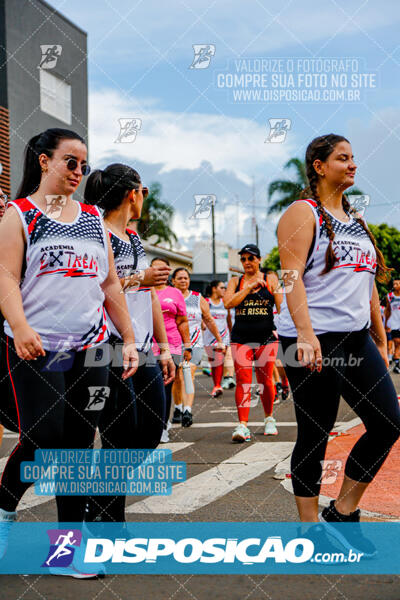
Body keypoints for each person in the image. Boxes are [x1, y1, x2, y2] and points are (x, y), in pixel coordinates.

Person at [0, 129, 138, 577]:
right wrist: (19, 326)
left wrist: (130, 338)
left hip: (91, 347)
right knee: (43, 437)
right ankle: (4, 513)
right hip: (37, 345)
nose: (79, 172)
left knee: (79, 447)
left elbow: (110, 284)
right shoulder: (19, 215)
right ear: (44, 161)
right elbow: (5, 278)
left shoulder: (94, 219)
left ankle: (65, 554)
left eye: (84, 165)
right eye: (70, 162)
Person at [276, 133, 400, 555]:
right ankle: (309, 529)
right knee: (315, 432)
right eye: (343, 158)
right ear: (318, 165)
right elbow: (290, 277)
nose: (353, 165)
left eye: (354, 158)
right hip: (310, 338)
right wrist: (305, 334)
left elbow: (367, 292)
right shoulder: (301, 213)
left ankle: (344, 511)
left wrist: (380, 340)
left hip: (354, 338)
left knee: (388, 422)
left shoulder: (355, 222)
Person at [83, 163, 176, 524]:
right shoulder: (99, 234)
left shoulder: (134, 239)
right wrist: (140, 277)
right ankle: (109, 516)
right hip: (109, 347)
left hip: (145, 348)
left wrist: (165, 347)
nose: (144, 199)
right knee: (119, 436)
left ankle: (98, 498)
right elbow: (96, 291)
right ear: (130, 194)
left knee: (150, 432)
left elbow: (150, 295)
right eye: (144, 191)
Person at [224, 245, 282, 442]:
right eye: (244, 259)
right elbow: (228, 302)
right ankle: (242, 425)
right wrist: (248, 288)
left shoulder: (270, 278)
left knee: (265, 381)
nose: (247, 262)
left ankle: (269, 418)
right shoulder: (236, 281)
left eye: (251, 258)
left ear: (259, 260)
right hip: (241, 337)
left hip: (266, 336)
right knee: (243, 380)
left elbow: (282, 305)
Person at [171, 268, 225, 425]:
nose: (183, 281)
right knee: (176, 378)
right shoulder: (168, 296)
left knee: (187, 373)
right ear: (173, 280)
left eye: (186, 278)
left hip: (194, 343)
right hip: (174, 343)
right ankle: (178, 407)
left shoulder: (197, 298)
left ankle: (187, 411)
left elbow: (208, 319)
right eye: (179, 278)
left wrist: (219, 339)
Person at [151, 257, 192, 437]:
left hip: (172, 345)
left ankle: (162, 427)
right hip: (148, 345)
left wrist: (187, 345)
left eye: (162, 269)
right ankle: (150, 424)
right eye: (155, 269)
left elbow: (182, 321)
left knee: (166, 385)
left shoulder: (174, 293)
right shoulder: (142, 290)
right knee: (151, 387)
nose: (159, 272)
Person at [203, 280, 232, 395]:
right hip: (209, 336)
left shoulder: (225, 302)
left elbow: (228, 319)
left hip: (223, 336)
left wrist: (232, 333)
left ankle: (217, 386)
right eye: (222, 287)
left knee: (219, 359)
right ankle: (216, 385)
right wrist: (202, 323)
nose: (224, 290)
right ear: (214, 289)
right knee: (214, 362)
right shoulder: (206, 302)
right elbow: (201, 316)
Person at [385, 277, 400, 373]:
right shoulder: (389, 296)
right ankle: (396, 362)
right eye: (394, 284)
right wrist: (386, 323)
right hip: (393, 323)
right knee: (397, 342)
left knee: (398, 344)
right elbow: (388, 310)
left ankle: (397, 363)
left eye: (397, 284)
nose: (395, 286)